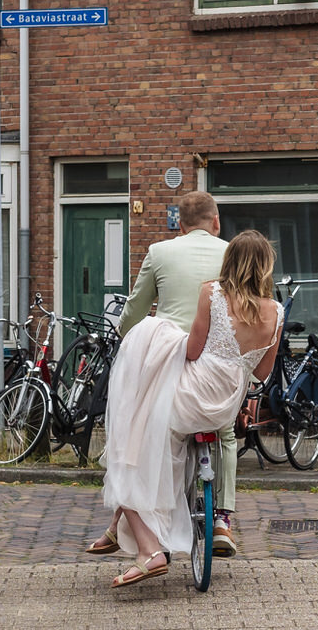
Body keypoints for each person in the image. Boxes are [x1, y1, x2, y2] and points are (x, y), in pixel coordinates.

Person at [86, 229, 281, 588]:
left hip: (189, 398)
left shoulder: (213, 293)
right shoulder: (277, 313)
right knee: (150, 443)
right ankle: (121, 527)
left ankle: (149, 550)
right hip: (223, 408)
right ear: (266, 267)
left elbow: (191, 351)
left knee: (126, 450)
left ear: (231, 262)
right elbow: (263, 372)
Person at [110, 190, 241, 556]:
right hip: (214, 364)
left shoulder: (160, 252)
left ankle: (155, 528)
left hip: (168, 361)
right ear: (216, 222)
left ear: (179, 226)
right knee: (225, 431)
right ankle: (223, 521)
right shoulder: (231, 253)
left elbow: (136, 309)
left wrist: (123, 335)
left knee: (155, 434)